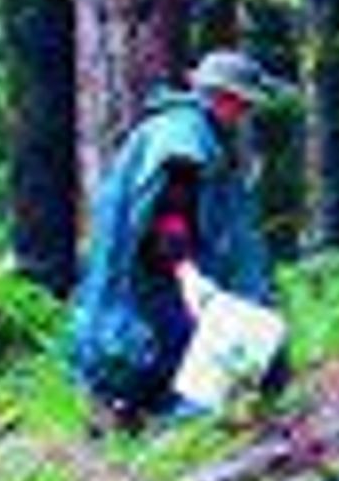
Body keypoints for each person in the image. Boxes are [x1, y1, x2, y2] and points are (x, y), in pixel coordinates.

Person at [69, 47, 285, 417]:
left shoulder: (176, 128)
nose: (244, 114)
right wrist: (186, 270)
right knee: (153, 346)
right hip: (157, 270)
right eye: (242, 104)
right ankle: (152, 421)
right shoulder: (184, 140)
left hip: (155, 268)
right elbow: (169, 212)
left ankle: (134, 414)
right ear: (222, 97)